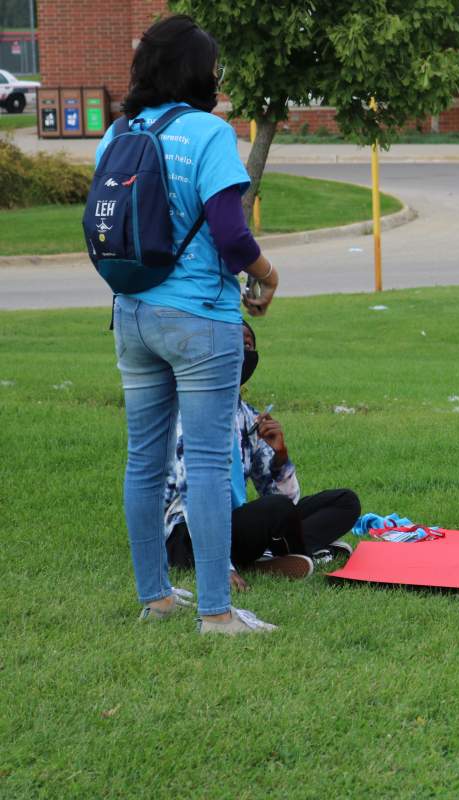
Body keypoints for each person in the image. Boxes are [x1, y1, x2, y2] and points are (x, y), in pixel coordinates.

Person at [105, 14, 281, 634]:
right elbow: (231, 234)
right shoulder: (209, 132)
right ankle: (215, 612)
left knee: (144, 462)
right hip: (200, 319)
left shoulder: (119, 131)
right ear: (200, 73)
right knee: (207, 463)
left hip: (131, 315)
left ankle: (154, 597)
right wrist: (269, 274)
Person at [163, 322, 362, 586]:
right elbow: (194, 499)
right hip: (187, 538)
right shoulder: (190, 414)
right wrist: (221, 567)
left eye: (248, 346)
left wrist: (280, 456)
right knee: (274, 510)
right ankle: (297, 552)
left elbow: (285, 503)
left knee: (345, 501)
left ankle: (274, 556)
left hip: (235, 525)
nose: (244, 353)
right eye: (235, 345)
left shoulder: (247, 416)